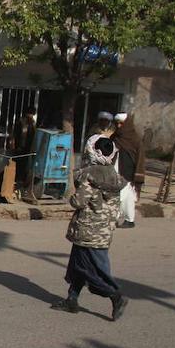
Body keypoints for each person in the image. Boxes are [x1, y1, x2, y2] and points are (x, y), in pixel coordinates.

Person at [51, 137, 128, 319]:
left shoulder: (90, 174)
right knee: (78, 267)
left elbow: (79, 201)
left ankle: (115, 295)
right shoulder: (114, 175)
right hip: (103, 230)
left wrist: (70, 195)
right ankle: (72, 299)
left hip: (87, 229)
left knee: (89, 269)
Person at [111, 113, 144, 228]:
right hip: (114, 171)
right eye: (117, 123)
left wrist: (138, 175)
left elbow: (140, 159)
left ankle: (128, 219)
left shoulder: (135, 140)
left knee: (125, 196)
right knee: (119, 196)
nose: (119, 126)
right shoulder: (115, 137)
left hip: (128, 173)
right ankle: (121, 218)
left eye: (121, 123)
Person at [9, 105, 38, 192]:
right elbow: (15, 135)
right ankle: (15, 185)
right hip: (19, 148)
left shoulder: (32, 123)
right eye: (30, 114)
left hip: (27, 149)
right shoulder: (21, 122)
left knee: (24, 167)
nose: (31, 116)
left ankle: (21, 185)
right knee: (17, 167)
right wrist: (14, 146)